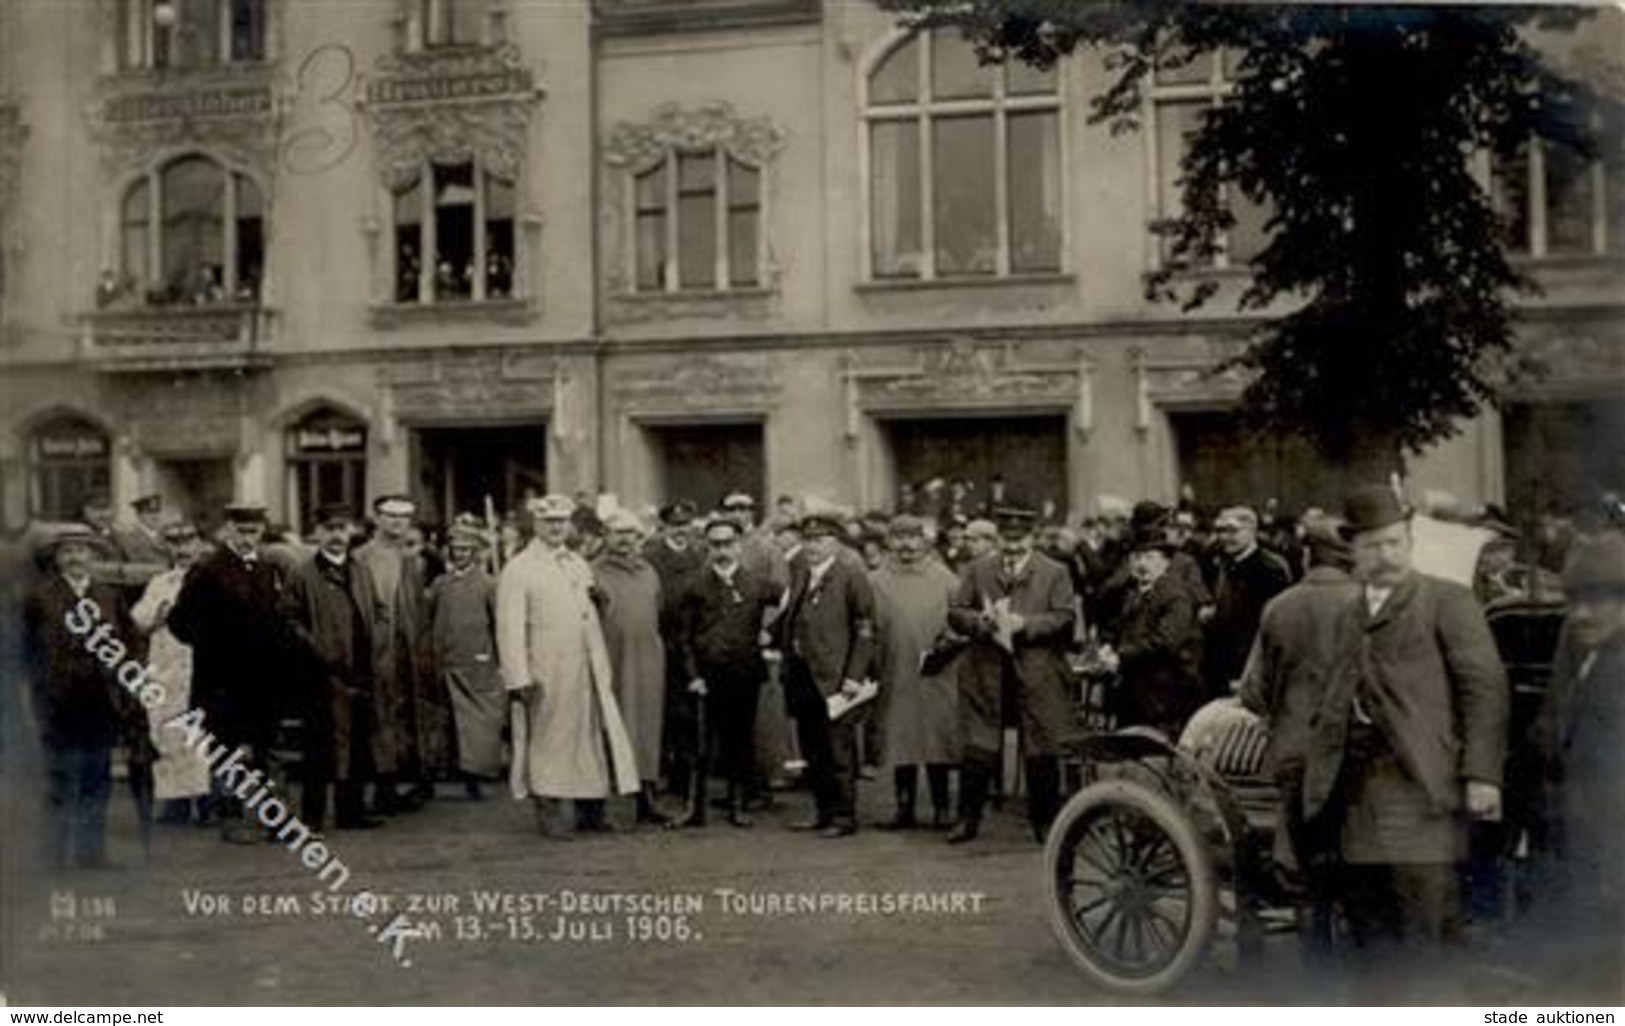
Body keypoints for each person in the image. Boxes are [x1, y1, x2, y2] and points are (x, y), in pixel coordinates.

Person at [1302, 485, 1508, 967]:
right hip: (1355, 798)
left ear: (1410, 543)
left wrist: (1482, 774)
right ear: (1352, 549)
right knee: (1372, 938)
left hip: (1423, 789)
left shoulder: (1447, 601)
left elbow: (1485, 689)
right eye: (1373, 545)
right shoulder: (1346, 613)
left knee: (1428, 933)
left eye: (1396, 542)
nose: (1387, 554)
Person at [1237, 517, 1360, 963]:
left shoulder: (1279, 608)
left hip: (1293, 751)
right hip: (1354, 753)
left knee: (1302, 860)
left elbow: (1253, 693)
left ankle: (1315, 964)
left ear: (1307, 555)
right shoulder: (1368, 604)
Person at [497, 494, 639, 838]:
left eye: (562, 521)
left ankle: (591, 809)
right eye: (549, 522)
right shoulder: (519, 568)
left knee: (589, 735)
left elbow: (586, 607)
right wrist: (519, 677)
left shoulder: (577, 562)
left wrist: (599, 605)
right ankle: (550, 811)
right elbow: (509, 627)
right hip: (547, 668)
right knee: (550, 738)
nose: (557, 527)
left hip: (586, 665)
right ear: (536, 525)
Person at [1527, 530, 1625, 994]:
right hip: (1580, 845)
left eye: (1599, 601)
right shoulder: (1580, 646)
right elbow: (1552, 728)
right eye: (1574, 601)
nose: (1581, 613)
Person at [946, 507, 1077, 844]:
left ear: (1033, 539)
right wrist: (980, 622)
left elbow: (1064, 616)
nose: (1012, 548)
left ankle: (1045, 821)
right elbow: (957, 612)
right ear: (998, 539)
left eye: (1020, 542)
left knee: (1041, 749)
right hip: (986, 673)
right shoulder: (977, 569)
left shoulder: (1055, 571)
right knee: (977, 747)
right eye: (1007, 541)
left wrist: (1025, 624)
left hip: (1037, 675)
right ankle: (967, 819)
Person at [168, 503, 295, 844]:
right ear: (228, 530)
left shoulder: (268, 569)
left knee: (268, 747)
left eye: (253, 531)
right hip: (222, 680)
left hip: (262, 677)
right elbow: (179, 622)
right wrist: (216, 647)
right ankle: (232, 819)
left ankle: (277, 819)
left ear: (262, 532)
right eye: (241, 531)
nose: (247, 538)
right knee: (226, 750)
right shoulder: (207, 571)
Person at [22, 527, 138, 869]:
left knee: (96, 778)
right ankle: (54, 855)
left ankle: (91, 853)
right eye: (68, 552)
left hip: (100, 700)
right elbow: (23, 650)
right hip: (57, 702)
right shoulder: (39, 597)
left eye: (82, 551)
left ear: (93, 557)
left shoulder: (109, 597)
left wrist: (125, 684)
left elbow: (129, 643)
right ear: (58, 559)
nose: (75, 557)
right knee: (60, 779)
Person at [671, 517, 780, 828]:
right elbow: (683, 637)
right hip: (707, 676)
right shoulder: (693, 586)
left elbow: (791, 604)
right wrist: (693, 675)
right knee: (701, 744)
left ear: (739, 545)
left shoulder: (758, 583)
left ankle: (738, 805)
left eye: (728, 543)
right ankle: (695, 809)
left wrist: (771, 632)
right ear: (708, 546)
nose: (722, 550)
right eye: (715, 544)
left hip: (744, 674)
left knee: (740, 741)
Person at [282, 506, 383, 832]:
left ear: (351, 531)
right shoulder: (303, 573)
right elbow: (288, 618)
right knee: (318, 745)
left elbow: (378, 610)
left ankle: (350, 811)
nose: (338, 535)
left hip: (359, 670)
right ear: (318, 532)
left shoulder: (361, 570)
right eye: (330, 528)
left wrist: (376, 640)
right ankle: (312, 815)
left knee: (356, 742)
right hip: (320, 674)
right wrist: (315, 648)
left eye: (343, 527)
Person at [777, 505, 876, 838]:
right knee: (812, 748)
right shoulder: (802, 574)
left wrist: (854, 676)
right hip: (804, 675)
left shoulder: (851, 577)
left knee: (839, 751)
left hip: (836, 678)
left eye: (820, 540)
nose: (812, 546)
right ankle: (822, 812)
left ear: (836, 543)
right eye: (807, 540)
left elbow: (865, 630)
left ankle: (844, 817)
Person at [869, 515, 961, 830]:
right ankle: (904, 808)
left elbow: (962, 617)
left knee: (937, 738)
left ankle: (941, 808)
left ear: (925, 541)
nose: (906, 544)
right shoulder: (875, 580)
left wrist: (949, 641)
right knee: (900, 737)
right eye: (899, 537)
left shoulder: (945, 578)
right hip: (895, 670)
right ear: (888, 542)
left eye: (913, 537)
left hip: (937, 673)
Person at [354, 495, 443, 813]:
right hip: (376, 651)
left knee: (406, 718)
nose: (397, 523)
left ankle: (402, 783)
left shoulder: (413, 561)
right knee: (379, 719)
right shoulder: (360, 558)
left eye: (404, 518)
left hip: (408, 652)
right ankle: (381, 787)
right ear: (376, 518)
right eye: (390, 516)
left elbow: (419, 610)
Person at [130, 520, 212, 824]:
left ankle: (206, 802)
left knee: (201, 732)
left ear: (199, 545)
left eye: (189, 542)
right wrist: (159, 613)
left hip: (199, 663)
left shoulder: (210, 579)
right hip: (166, 664)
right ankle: (176, 801)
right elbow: (140, 619)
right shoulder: (160, 582)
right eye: (176, 544)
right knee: (166, 730)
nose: (183, 550)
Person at [592, 508, 668, 825]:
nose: (625, 540)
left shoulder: (649, 572)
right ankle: (603, 806)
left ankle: (646, 800)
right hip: (612, 660)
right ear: (605, 536)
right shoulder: (592, 572)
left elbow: (658, 612)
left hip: (648, 660)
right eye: (618, 533)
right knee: (613, 727)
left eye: (631, 533)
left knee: (647, 728)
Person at [1100, 524, 1203, 738]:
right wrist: (1108, 646)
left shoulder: (1176, 595)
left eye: (1149, 557)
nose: (1142, 564)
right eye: (1136, 557)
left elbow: (1165, 643)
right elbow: (1117, 626)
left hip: (1164, 695)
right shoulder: (1132, 592)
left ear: (1166, 562)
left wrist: (1120, 656)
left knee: (1155, 757)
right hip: (1135, 691)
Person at [427, 523, 505, 801]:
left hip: (476, 662)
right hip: (444, 660)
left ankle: (475, 777)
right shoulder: (440, 584)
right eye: (455, 549)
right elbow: (429, 618)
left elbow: (499, 625)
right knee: (443, 720)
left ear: (475, 553)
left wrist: (494, 657)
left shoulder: (488, 584)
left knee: (475, 723)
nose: (460, 554)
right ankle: (438, 775)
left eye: (465, 550)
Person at [1202, 506, 1293, 701]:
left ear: (1252, 531)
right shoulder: (1219, 562)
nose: (1225, 537)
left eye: (1232, 531)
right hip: (1221, 663)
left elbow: (1274, 623)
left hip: (1250, 664)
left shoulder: (1270, 569)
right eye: (1221, 531)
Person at [114, 494, 172, 568]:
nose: (155, 516)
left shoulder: (165, 535)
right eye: (149, 512)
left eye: (157, 512)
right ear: (139, 515)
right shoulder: (130, 538)